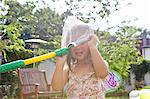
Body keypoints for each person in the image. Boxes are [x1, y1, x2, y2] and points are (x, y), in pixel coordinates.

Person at [52, 16, 109, 99]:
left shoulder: (96, 65)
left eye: (81, 42)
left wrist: (93, 47)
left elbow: (102, 74)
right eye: (73, 43)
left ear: (89, 42)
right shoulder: (69, 69)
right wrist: (59, 64)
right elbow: (56, 87)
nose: (77, 47)